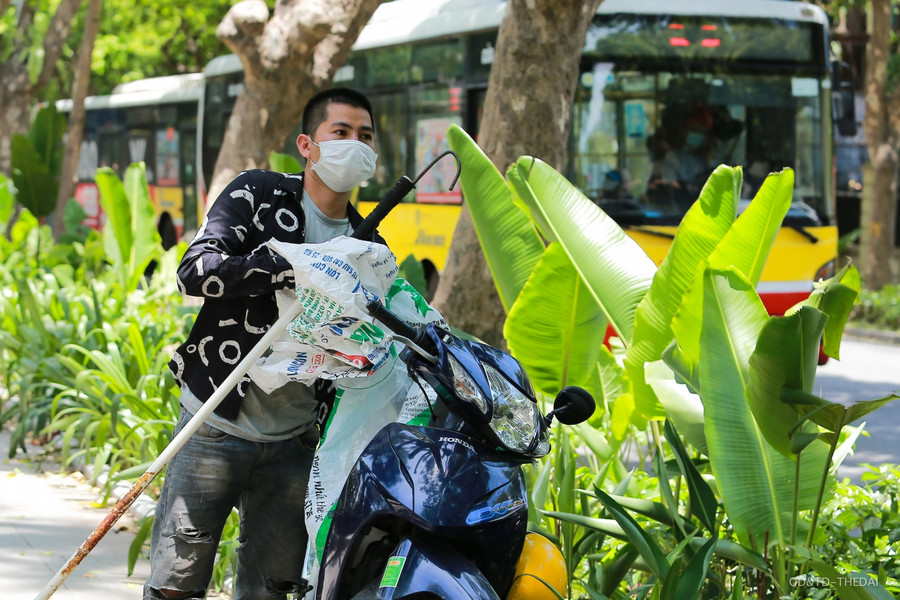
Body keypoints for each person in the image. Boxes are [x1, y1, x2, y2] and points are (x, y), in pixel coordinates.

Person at [144, 87, 384, 600]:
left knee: (271, 591)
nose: (354, 144)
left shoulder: (370, 247)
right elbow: (194, 271)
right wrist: (285, 266)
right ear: (307, 144)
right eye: (339, 132)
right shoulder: (258, 194)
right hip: (215, 420)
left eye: (365, 136)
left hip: (295, 444)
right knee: (175, 584)